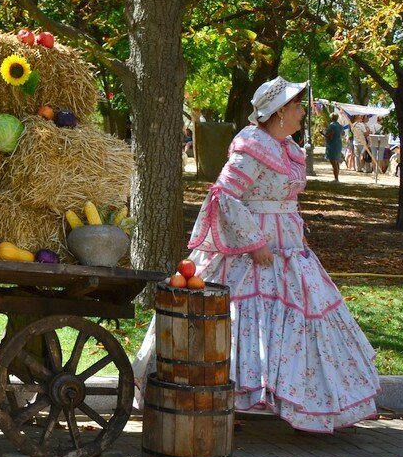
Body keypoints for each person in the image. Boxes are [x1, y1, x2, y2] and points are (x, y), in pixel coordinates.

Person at [133, 76, 380, 433]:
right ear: (279, 112)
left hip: (289, 248)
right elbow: (225, 195)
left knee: (298, 315)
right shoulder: (253, 144)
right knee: (240, 314)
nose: (302, 111)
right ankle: (226, 395)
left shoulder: (286, 147)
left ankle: (296, 396)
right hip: (251, 251)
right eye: (297, 105)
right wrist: (254, 242)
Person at [322, 116, 346, 181]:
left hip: (332, 145)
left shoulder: (332, 126)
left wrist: (323, 133)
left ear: (331, 118)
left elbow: (330, 137)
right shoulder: (339, 125)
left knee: (333, 162)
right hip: (338, 143)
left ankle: (336, 178)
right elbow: (343, 133)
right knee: (337, 161)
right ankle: (337, 177)